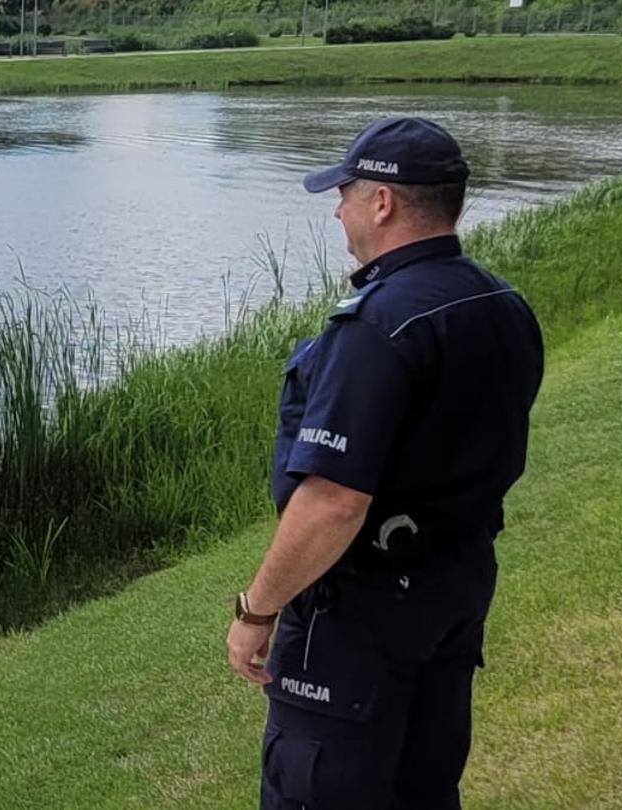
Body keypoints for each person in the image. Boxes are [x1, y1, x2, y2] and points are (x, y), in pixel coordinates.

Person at [225, 117, 544, 809]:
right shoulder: (499, 301)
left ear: (383, 203)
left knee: (323, 791)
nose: (337, 208)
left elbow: (334, 500)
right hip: (454, 586)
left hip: (363, 613)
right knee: (422, 787)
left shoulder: (378, 325)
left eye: (345, 191)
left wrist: (257, 609)